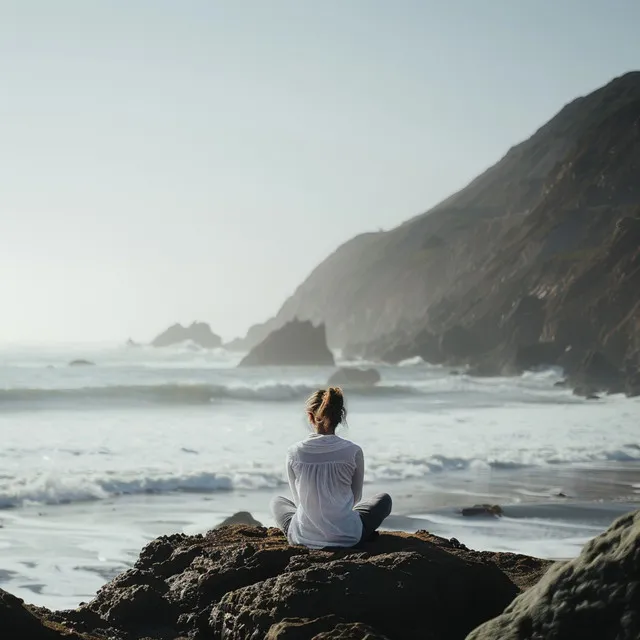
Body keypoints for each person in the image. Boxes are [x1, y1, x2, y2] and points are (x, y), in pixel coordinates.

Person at [270, 386, 392, 549]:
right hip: (349, 536)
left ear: (310, 416)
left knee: (276, 501)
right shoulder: (353, 451)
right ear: (340, 417)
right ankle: (349, 527)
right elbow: (356, 497)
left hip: (303, 537)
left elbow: (299, 500)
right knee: (384, 500)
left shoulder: (294, 451)